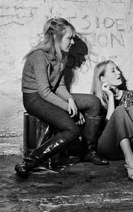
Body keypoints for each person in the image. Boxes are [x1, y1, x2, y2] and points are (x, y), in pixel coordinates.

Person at [15, 18, 108, 178]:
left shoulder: (62, 56)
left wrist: (71, 100)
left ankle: (88, 151)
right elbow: (44, 92)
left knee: (94, 102)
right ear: (55, 38)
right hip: (34, 98)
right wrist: (69, 108)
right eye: (69, 38)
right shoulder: (39, 56)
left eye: (72, 38)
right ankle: (29, 161)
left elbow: (59, 86)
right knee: (71, 129)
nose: (72, 42)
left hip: (50, 93)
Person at [92, 60, 133, 181]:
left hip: (130, 146)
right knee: (119, 110)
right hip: (108, 148)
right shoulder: (96, 99)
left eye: (118, 69)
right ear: (103, 78)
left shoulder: (130, 95)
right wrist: (110, 96)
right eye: (113, 71)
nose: (119, 73)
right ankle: (131, 163)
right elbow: (105, 126)